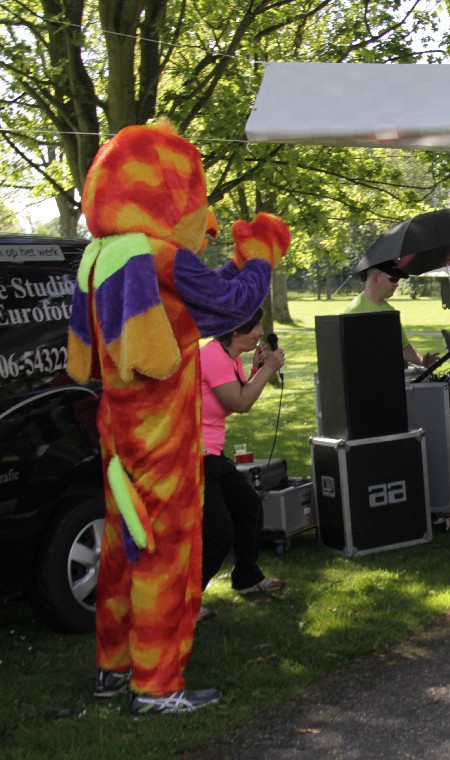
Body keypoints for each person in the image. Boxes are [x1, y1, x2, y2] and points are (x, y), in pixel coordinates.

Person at [69, 122, 287, 715]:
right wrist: (259, 258)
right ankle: (157, 685)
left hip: (118, 431)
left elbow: (193, 303)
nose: (203, 218)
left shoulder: (101, 256)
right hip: (162, 436)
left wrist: (234, 265)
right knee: (164, 552)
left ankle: (113, 668)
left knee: (123, 547)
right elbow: (233, 305)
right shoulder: (159, 254)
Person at [199, 309, 286, 618]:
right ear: (235, 331)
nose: (260, 333)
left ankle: (247, 577)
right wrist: (268, 369)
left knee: (249, 505)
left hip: (212, 454)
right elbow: (240, 403)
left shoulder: (229, 357)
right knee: (218, 532)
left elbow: (236, 395)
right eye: (255, 327)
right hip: (194, 456)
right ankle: (184, 600)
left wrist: (255, 371)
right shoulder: (212, 356)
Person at [345, 261, 439, 366]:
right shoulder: (355, 311)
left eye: (397, 279)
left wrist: (422, 361)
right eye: (393, 279)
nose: (397, 284)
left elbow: (402, 346)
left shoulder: (390, 312)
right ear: (375, 278)